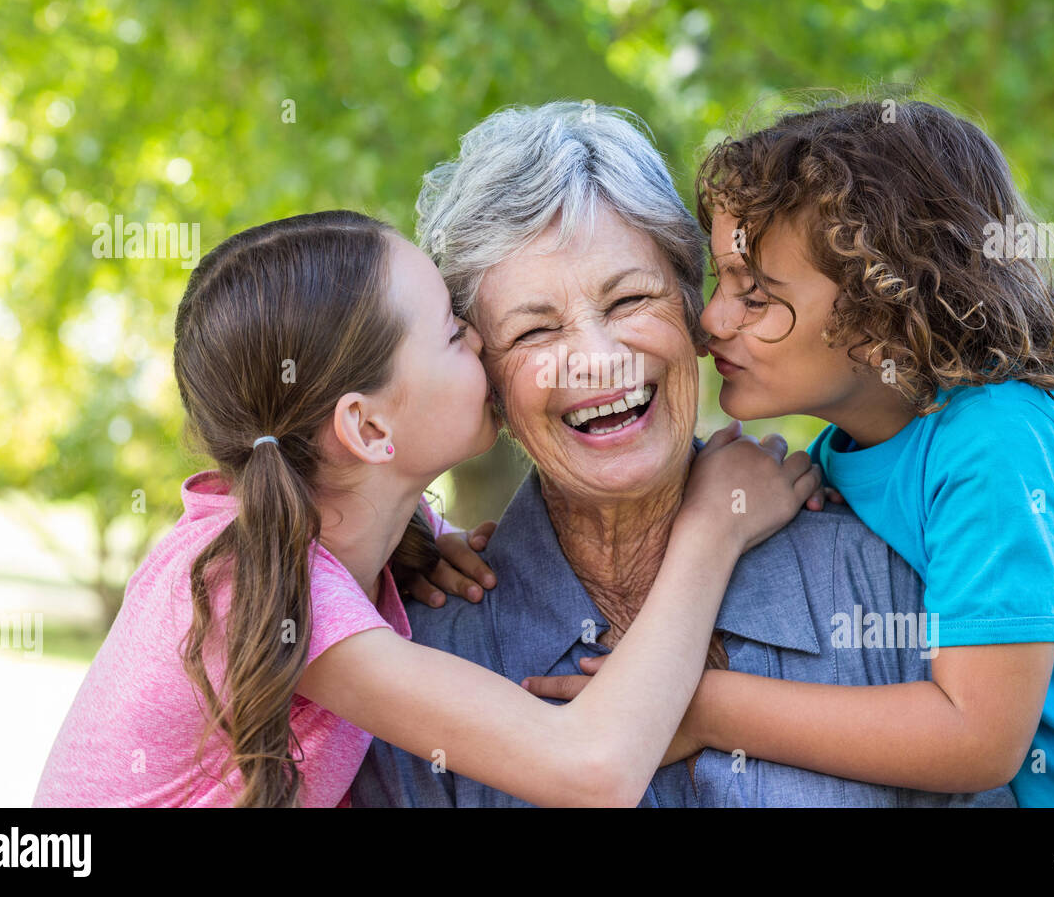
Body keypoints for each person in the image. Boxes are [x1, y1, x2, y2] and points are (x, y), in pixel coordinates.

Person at [32, 209, 819, 807]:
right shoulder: (263, 586)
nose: (482, 342)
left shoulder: (329, 550)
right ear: (368, 427)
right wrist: (713, 530)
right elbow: (592, 769)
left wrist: (416, 540)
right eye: (451, 334)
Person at [353, 102, 1016, 807]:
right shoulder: (420, 656)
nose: (598, 362)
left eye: (631, 299)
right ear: (483, 380)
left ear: (694, 308)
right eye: (534, 332)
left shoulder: (881, 572)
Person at [666, 98, 1054, 805]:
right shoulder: (842, 452)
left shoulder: (993, 435)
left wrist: (703, 708)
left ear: (885, 313)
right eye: (720, 281)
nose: (711, 319)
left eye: (755, 295)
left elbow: (977, 739)